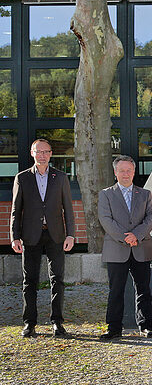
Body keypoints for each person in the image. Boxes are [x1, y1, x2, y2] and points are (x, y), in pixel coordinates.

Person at [10, 139, 75, 338]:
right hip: (30, 236)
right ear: (32, 153)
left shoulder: (61, 177)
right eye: (38, 152)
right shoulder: (22, 178)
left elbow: (68, 209)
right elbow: (15, 210)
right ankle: (29, 323)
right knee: (29, 281)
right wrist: (15, 237)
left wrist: (70, 234)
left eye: (45, 152)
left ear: (51, 154)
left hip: (55, 234)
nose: (42, 155)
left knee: (58, 279)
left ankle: (57, 322)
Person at [97, 155, 152, 339]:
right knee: (116, 290)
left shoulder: (145, 194)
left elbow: (151, 218)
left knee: (144, 289)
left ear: (133, 172)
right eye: (122, 171)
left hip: (141, 248)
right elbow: (105, 220)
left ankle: (146, 326)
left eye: (129, 170)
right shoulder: (106, 194)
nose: (126, 174)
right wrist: (126, 238)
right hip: (116, 249)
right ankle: (114, 327)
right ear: (115, 173)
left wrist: (136, 235)